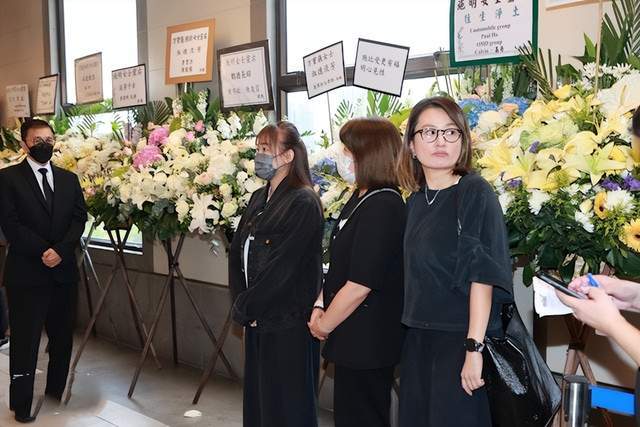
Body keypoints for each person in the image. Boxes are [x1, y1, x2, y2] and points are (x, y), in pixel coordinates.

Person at [396, 97, 513, 427]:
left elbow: (482, 275)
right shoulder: (415, 201)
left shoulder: (475, 191)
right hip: (418, 337)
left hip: (460, 338)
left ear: (462, 141)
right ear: (412, 145)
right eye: (429, 132)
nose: (440, 141)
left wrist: (473, 349)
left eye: (450, 132)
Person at [308, 117, 405, 427]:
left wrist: (325, 324)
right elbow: (339, 263)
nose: (342, 156)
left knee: (363, 416)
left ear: (370, 155)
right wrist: (320, 304)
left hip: (369, 340)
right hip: (351, 334)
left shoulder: (385, 205)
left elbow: (361, 283)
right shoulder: (360, 196)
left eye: (348, 150)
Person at [228, 121, 324, 427]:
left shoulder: (303, 201)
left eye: (266, 149)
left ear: (288, 156)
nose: (259, 155)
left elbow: (283, 267)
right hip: (258, 318)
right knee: (260, 404)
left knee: (287, 407)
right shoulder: (259, 197)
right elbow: (238, 251)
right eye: (257, 148)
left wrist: (249, 306)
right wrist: (242, 304)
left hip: (286, 321)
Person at [0, 118, 87, 423]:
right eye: (37, 141)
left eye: (49, 140)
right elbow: (10, 224)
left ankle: (54, 394)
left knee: (62, 339)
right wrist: (42, 251)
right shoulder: (7, 179)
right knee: (25, 342)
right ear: (24, 144)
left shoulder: (68, 179)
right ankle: (21, 404)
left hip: (63, 272)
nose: (44, 145)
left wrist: (60, 250)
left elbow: (79, 219)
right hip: (27, 273)